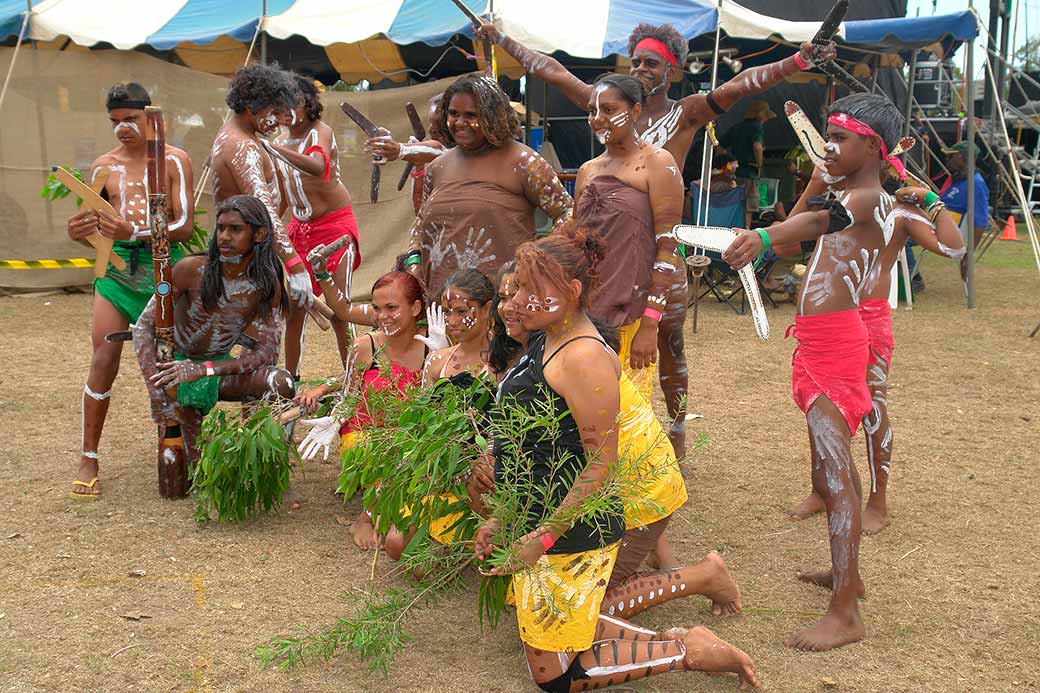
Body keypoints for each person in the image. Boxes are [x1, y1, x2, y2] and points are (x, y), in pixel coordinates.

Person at [477, 18, 837, 459]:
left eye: (653, 62)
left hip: (658, 261)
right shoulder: (606, 107)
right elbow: (550, 70)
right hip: (606, 266)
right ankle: (607, 447)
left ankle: (678, 427)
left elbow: (743, 84)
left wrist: (798, 60)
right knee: (607, 359)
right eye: (637, 60)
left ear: (674, 71)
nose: (643, 67)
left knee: (671, 350)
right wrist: (503, 40)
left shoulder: (684, 113)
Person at [475, 228, 758, 691]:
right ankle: (686, 642)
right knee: (558, 630)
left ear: (571, 291)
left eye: (532, 289)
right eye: (519, 288)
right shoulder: (547, 339)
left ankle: (689, 651)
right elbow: (533, 448)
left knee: (553, 677)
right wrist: (505, 519)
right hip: (540, 515)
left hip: (572, 527)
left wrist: (543, 538)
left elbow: (600, 465)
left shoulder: (583, 357)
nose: (520, 300)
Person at [723, 93, 908, 651]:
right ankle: (846, 573)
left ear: (873, 148)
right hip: (817, 343)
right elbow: (807, 217)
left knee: (834, 473)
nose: (829, 145)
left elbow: (821, 220)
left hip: (838, 347)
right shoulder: (844, 187)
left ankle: (846, 611)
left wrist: (760, 237)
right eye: (826, 134)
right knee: (834, 470)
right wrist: (816, 177)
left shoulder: (871, 196)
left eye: (842, 137)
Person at [773, 170, 967, 535]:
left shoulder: (898, 212)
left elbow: (953, 246)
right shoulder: (837, 208)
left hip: (869, 318)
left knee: (873, 406)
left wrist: (928, 199)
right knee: (821, 404)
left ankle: (878, 501)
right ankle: (821, 488)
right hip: (828, 321)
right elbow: (783, 247)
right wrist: (816, 182)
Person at [66, 82, 194, 498]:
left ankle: (174, 442)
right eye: (115, 122)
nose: (123, 129)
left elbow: (185, 227)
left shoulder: (175, 161)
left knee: (167, 360)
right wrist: (77, 232)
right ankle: (89, 456)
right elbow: (92, 224)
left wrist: (137, 232)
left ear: (151, 117)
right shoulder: (105, 166)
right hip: (116, 270)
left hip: (161, 268)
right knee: (104, 357)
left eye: (131, 120)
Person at [132, 195, 294, 467]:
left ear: (260, 234)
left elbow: (267, 353)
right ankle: (190, 445)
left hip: (214, 372)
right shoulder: (188, 270)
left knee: (282, 383)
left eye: (235, 229)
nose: (224, 237)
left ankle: (268, 461)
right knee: (195, 474)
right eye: (221, 228)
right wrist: (158, 391)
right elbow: (142, 328)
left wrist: (205, 369)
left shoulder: (266, 284)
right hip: (177, 376)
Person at [402, 74, 572, 301]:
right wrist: (414, 263)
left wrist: (536, 260)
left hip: (503, 305)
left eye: (471, 115)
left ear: (493, 116)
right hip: (443, 304)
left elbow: (567, 213)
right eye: (453, 114)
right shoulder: (438, 166)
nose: (460, 123)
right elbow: (421, 224)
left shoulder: (524, 162)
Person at [294, 271, 429, 550]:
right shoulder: (365, 346)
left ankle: (383, 512)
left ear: (415, 308)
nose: (382, 316)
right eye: (377, 309)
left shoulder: (432, 348)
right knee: (374, 450)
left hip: (406, 437)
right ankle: (367, 517)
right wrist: (334, 421)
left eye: (392, 308)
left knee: (414, 454)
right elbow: (349, 391)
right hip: (365, 435)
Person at [573, 74, 683, 404]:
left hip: (631, 316)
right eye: (592, 111)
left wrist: (650, 325)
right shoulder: (587, 170)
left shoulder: (657, 163)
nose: (598, 120)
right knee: (585, 406)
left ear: (635, 112)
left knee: (627, 414)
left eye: (608, 109)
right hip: (587, 312)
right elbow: (576, 241)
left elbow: (668, 249)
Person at [267, 75, 361, 378]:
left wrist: (274, 150)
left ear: (308, 104)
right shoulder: (279, 141)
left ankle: (356, 383)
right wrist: (270, 227)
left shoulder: (321, 132)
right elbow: (283, 194)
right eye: (279, 104)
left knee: (339, 311)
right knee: (294, 311)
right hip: (300, 231)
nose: (285, 111)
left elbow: (319, 167)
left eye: (291, 102)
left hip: (334, 229)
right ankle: (290, 385)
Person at [209, 64, 314, 311]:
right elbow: (264, 208)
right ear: (252, 107)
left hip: (249, 253)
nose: (278, 122)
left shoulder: (243, 138)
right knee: (258, 343)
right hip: (244, 260)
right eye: (275, 113)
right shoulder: (241, 145)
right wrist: (295, 266)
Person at [365, 94, 449, 215]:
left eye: (438, 124)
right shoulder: (430, 156)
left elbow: (440, 151)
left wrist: (400, 149)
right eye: (430, 123)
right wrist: (418, 163)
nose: (431, 130)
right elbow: (419, 209)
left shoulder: (461, 155)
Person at [421, 269, 495, 389]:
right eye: (446, 312)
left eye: (461, 311)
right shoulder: (436, 362)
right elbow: (423, 407)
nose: (452, 322)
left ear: (487, 309)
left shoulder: (506, 361)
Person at [939, 140, 989, 248]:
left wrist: (969, 254)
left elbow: (980, 222)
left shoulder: (976, 184)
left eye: (950, 156)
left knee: (899, 230)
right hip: (934, 220)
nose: (947, 160)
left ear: (961, 157)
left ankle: (908, 265)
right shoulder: (959, 179)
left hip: (943, 229)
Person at [720, 99, 775, 181]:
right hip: (750, 172)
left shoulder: (736, 127)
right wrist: (759, 166)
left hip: (734, 171)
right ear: (761, 116)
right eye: (766, 117)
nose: (766, 120)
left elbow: (719, 147)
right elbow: (757, 147)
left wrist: (729, 159)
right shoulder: (757, 127)